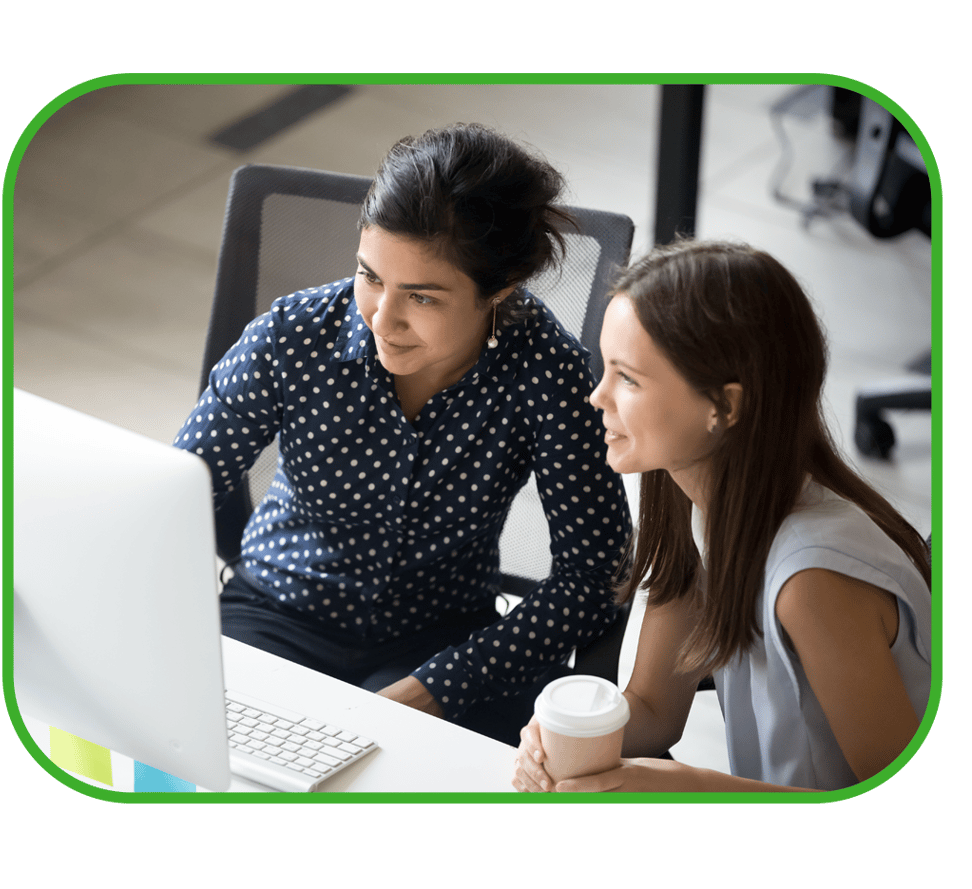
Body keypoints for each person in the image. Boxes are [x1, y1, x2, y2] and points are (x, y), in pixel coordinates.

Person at [174, 123, 632, 746]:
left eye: (422, 296)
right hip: (277, 611)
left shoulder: (545, 370)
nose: (382, 319)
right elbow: (173, 497)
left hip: (442, 641)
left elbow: (594, 572)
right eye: (370, 277)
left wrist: (442, 684)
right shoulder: (292, 336)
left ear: (501, 288)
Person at [513, 239, 932, 791]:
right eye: (605, 369)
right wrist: (558, 738)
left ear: (725, 407)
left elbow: (905, 812)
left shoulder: (814, 582)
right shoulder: (694, 504)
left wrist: (692, 789)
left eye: (629, 379)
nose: (597, 396)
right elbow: (655, 707)